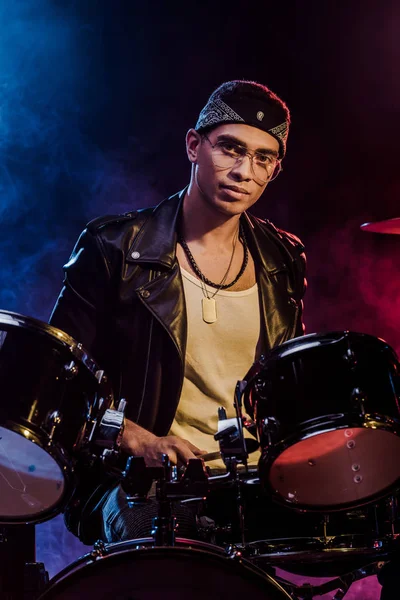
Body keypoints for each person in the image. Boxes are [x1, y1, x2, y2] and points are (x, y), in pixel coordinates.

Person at [50, 80, 307, 544]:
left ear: (275, 169)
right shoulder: (115, 248)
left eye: (262, 158)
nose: (244, 171)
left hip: (247, 480)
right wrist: (136, 437)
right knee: (177, 556)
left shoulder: (282, 259)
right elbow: (56, 385)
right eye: (230, 148)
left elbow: (287, 387)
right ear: (194, 145)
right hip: (140, 480)